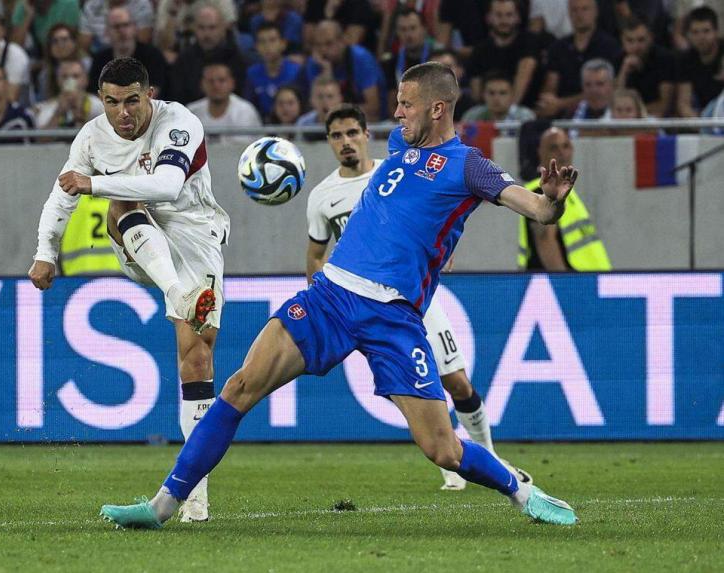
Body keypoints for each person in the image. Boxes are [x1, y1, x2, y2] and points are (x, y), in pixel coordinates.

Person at [99, 61, 580, 529]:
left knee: (443, 450)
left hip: (393, 316)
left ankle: (523, 492)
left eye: (406, 105)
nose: (397, 114)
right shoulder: (398, 145)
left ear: (438, 109)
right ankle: (163, 505)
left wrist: (552, 200)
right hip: (331, 297)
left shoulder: (469, 166)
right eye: (397, 103)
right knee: (240, 387)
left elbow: (537, 210)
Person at [29, 57, 229, 523]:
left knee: (196, 357)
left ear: (150, 95)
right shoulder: (92, 136)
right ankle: (179, 294)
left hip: (196, 235)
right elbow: (62, 195)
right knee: (120, 206)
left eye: (132, 101)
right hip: (143, 243)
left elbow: (167, 184)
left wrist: (92, 183)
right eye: (112, 102)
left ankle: (196, 497)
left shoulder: (179, 122)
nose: (122, 112)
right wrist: (45, 251)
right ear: (102, 100)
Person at [307, 104, 533, 491]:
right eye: (336, 136)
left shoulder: (397, 168)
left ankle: (489, 457)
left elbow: (437, 210)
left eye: (351, 133)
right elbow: (314, 256)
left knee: (457, 383)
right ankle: (452, 459)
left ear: (365, 134)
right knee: (404, 388)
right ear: (329, 143)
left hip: (413, 298)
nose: (345, 142)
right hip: (355, 302)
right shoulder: (322, 196)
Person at [518, 127, 610, 271]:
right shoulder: (540, 191)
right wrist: (564, 285)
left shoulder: (566, 191)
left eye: (566, 146)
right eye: (554, 148)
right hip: (562, 285)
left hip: (586, 281)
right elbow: (545, 241)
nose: (562, 153)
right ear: (540, 152)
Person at [537, 0, 622, 119]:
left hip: (600, 114)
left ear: (596, 12)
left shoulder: (610, 47)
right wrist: (549, 103)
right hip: (561, 117)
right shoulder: (558, 48)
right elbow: (551, 85)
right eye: (574, 10)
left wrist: (561, 104)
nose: (579, 14)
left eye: (584, 9)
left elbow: (608, 90)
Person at [305, 19, 386, 121]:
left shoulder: (361, 58)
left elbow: (373, 107)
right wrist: (327, 72)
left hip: (371, 122)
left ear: (342, 41)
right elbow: (316, 105)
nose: (323, 50)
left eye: (328, 43)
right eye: (318, 45)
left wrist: (338, 110)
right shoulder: (315, 62)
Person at [169, 1, 248, 105]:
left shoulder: (237, 58)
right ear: (194, 29)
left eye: (212, 28)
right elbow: (176, 96)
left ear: (223, 28)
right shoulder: (184, 59)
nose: (206, 34)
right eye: (201, 28)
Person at [467, 0, 541, 108]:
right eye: (498, 15)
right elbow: (477, 94)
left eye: (509, 15)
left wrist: (508, 115)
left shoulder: (529, 42)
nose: (504, 20)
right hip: (489, 113)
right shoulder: (479, 50)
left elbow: (524, 75)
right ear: (488, 18)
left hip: (526, 111)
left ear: (518, 18)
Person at [87, 7, 168, 99]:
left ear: (134, 28)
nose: (122, 31)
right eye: (116, 27)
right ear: (107, 32)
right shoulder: (100, 59)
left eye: (126, 25)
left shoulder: (152, 55)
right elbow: (95, 94)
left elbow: (154, 91)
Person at [614, 15, 675, 118]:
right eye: (630, 40)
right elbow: (613, 104)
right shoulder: (619, 59)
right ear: (622, 40)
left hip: (656, 122)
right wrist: (623, 72)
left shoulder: (664, 59)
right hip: (627, 120)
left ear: (650, 38)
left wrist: (633, 112)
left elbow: (664, 107)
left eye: (641, 40)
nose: (635, 47)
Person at [187, 62, 262, 144]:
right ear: (202, 84)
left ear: (232, 83)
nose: (216, 86)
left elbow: (243, 148)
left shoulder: (245, 111)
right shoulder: (191, 112)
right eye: (210, 81)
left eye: (221, 80)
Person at [245, 21, 303, 120]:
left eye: (272, 40)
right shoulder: (252, 74)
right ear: (256, 46)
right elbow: (249, 108)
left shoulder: (297, 71)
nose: (267, 46)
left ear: (283, 44)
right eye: (262, 42)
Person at [675, 6, 724, 118]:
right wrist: (704, 126)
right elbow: (683, 104)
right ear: (688, 35)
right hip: (703, 119)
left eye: (706, 31)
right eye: (695, 32)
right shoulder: (685, 60)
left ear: (716, 32)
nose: (701, 37)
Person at [33, 58, 104, 128]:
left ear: (85, 80)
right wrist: (58, 113)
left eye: (75, 76)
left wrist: (80, 112)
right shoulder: (48, 107)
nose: (70, 81)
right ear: (58, 80)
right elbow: (42, 138)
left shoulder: (99, 105)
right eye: (65, 77)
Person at [461, 70, 536, 124]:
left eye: (503, 93)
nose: (496, 98)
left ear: (512, 95)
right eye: (491, 93)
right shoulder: (471, 116)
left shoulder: (526, 118)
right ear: (483, 95)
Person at [78, 0, 153, 53]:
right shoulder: (91, 5)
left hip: (134, 55)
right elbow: (84, 44)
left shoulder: (142, 4)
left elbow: (143, 41)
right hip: (100, 55)